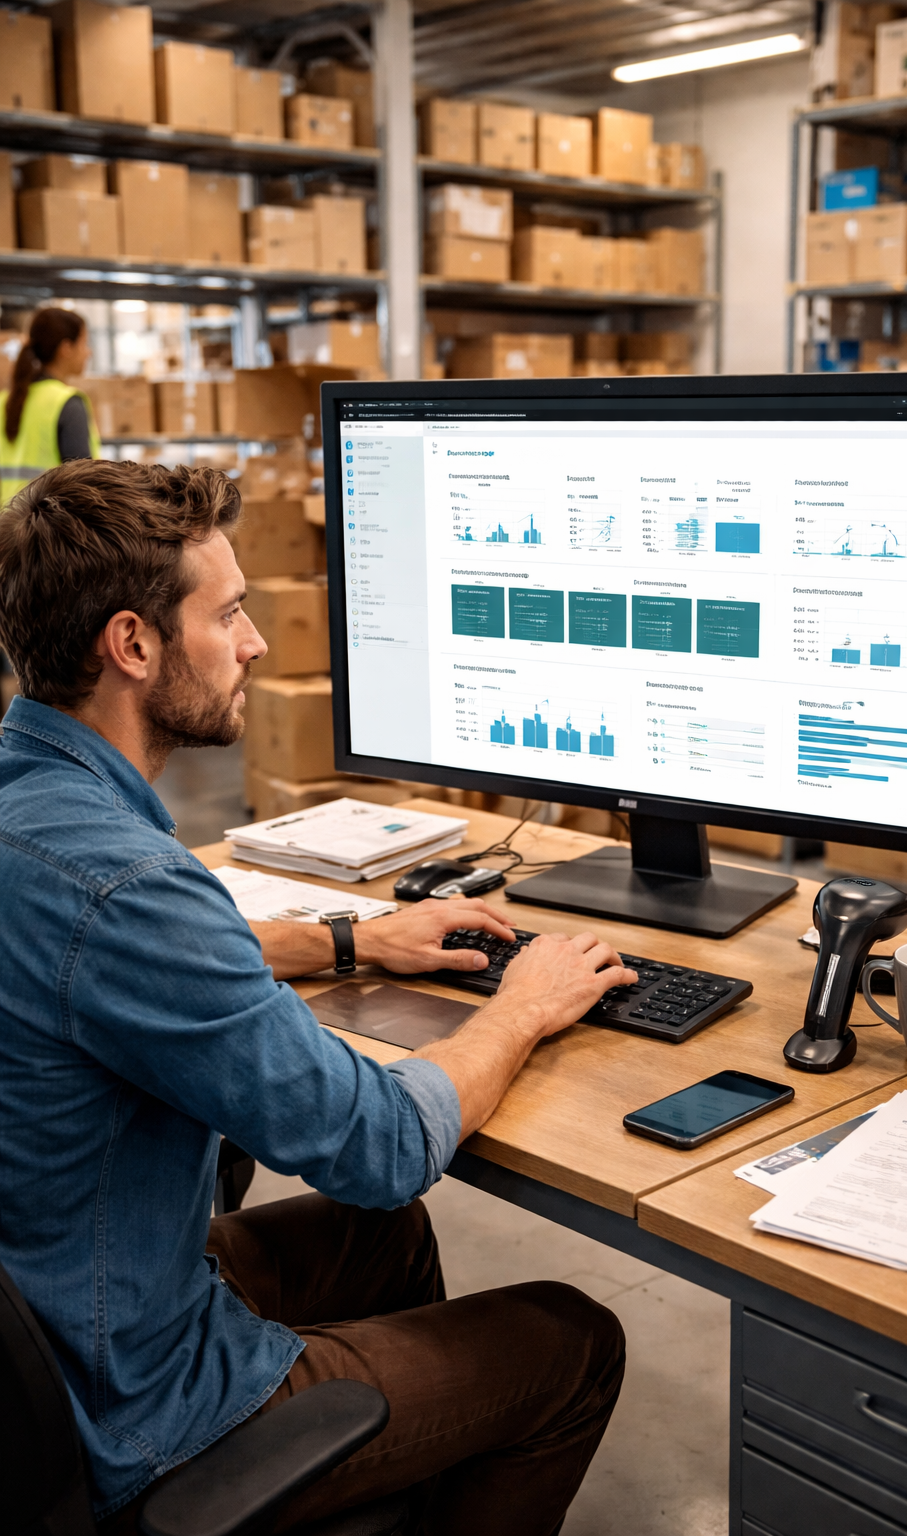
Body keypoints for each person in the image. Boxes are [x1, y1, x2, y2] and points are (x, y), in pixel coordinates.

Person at [0, 459, 634, 1535]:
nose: (253, 643)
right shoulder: (131, 884)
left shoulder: (37, 814)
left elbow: (107, 957)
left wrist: (352, 937)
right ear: (135, 645)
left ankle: (384, 1479)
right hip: (128, 1398)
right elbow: (379, 1144)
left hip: (61, 1301)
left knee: (383, 1242)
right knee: (569, 1342)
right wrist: (523, 1003)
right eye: (231, 613)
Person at [0, 307, 99, 507]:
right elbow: (83, 486)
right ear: (66, 348)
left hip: (8, 526)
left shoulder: (4, 400)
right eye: (84, 343)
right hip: (47, 530)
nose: (89, 352)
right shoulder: (66, 402)